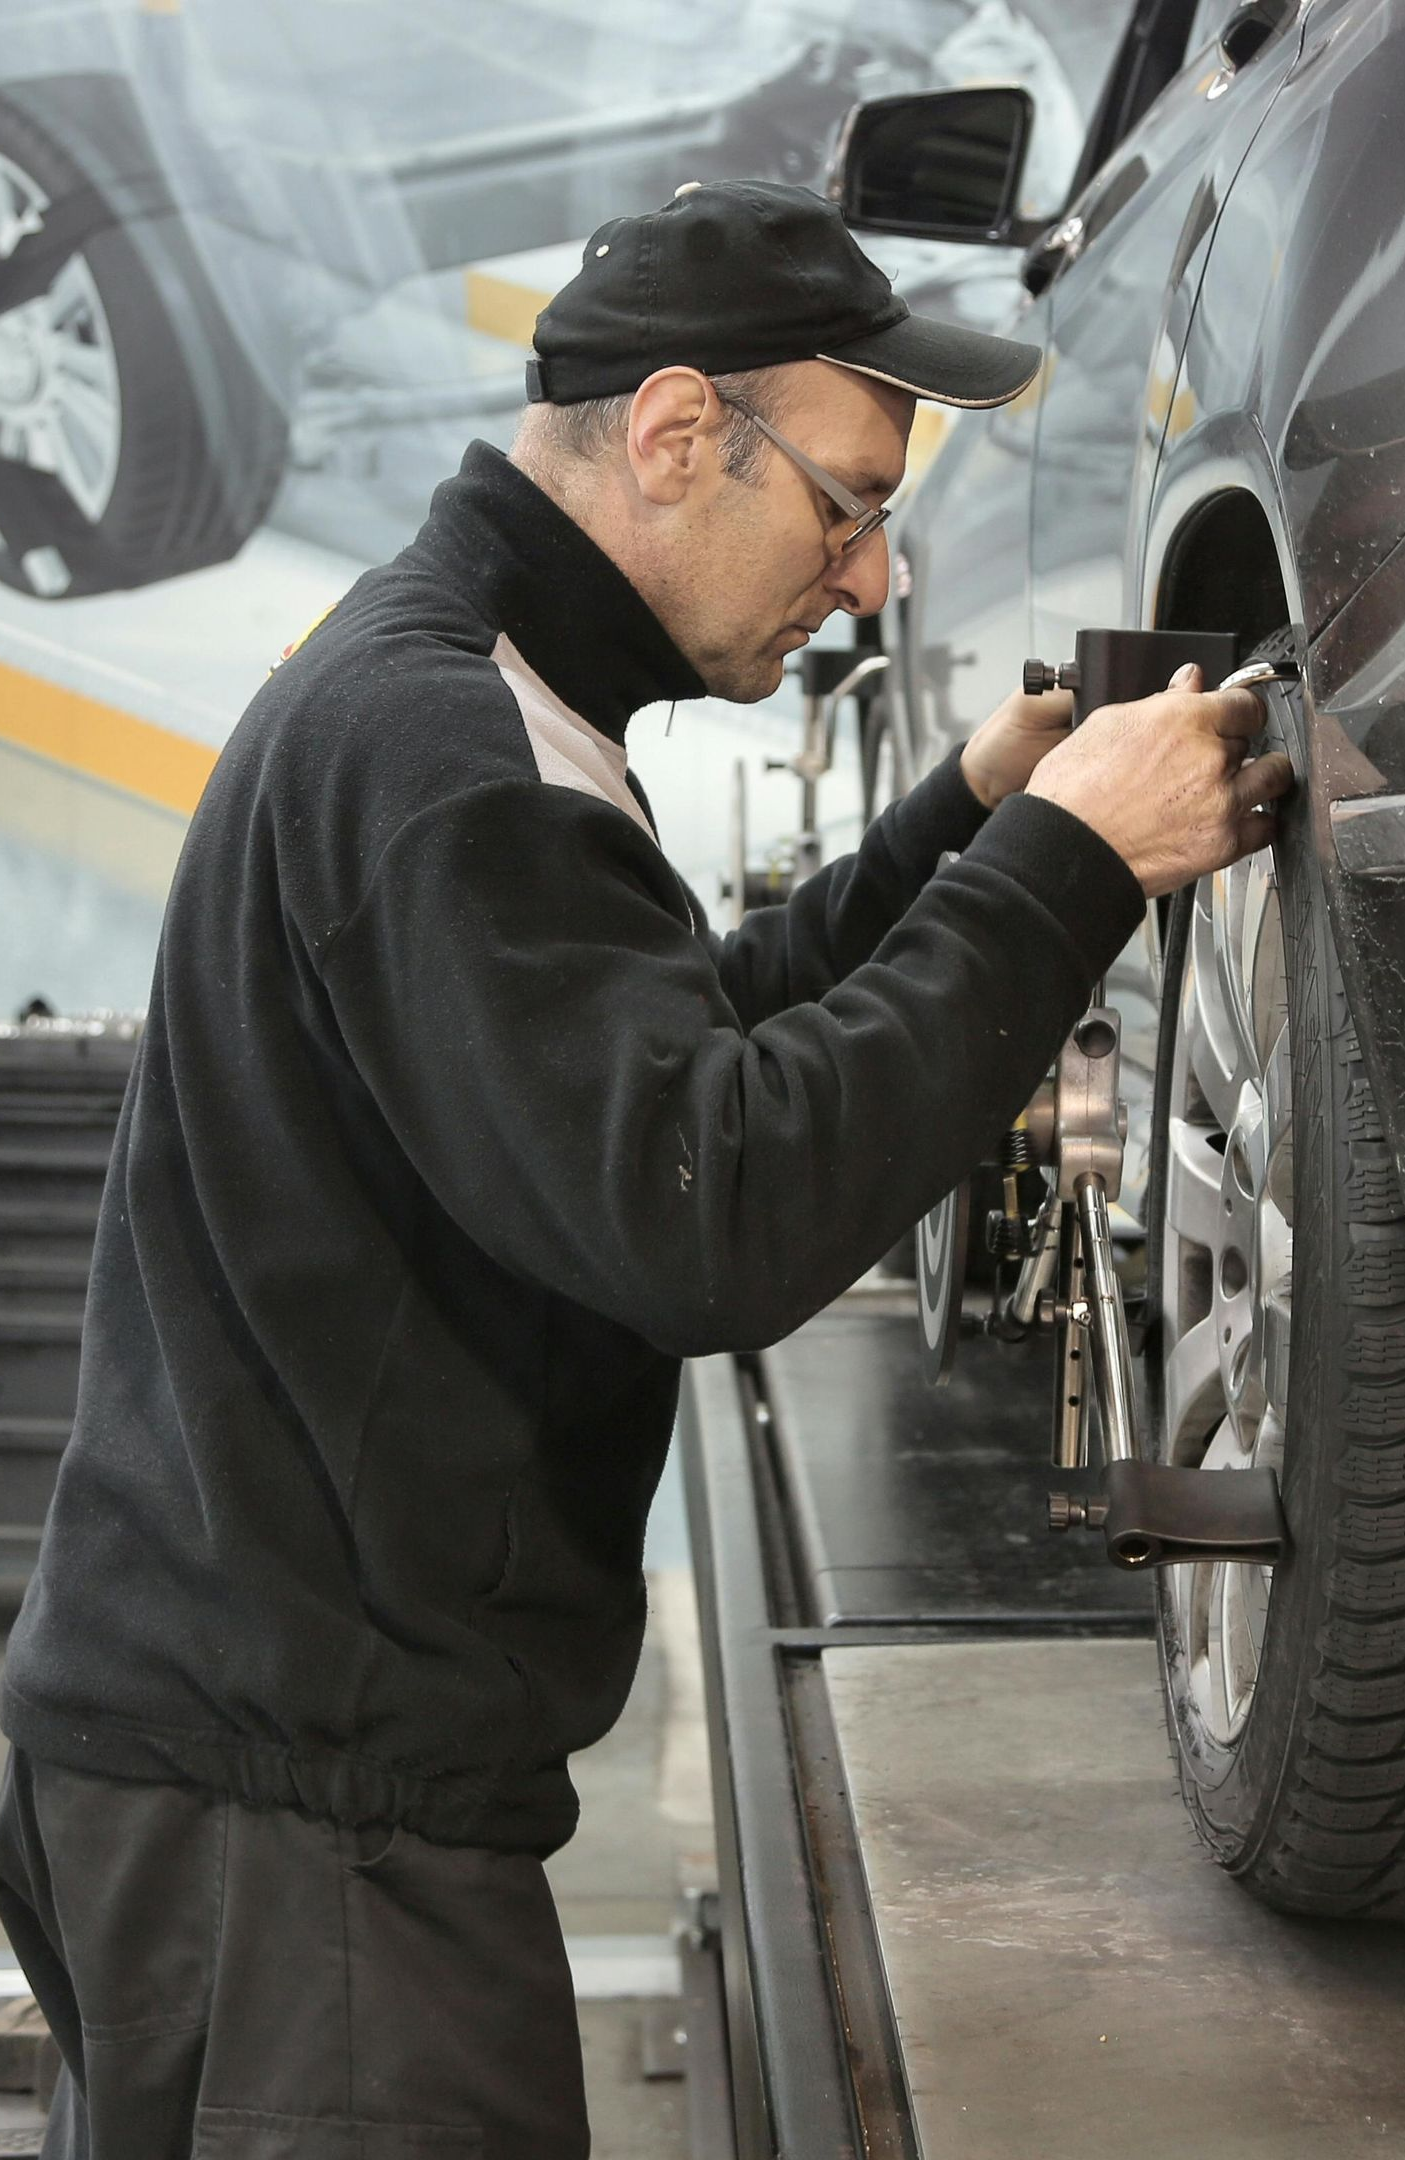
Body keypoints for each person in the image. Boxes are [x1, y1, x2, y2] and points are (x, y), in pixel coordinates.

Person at [0, 180, 1291, 2158]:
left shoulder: (486, 699)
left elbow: (656, 1043)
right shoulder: (442, 751)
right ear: (682, 431)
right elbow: (705, 1202)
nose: (869, 581)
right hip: (299, 1836)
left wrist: (962, 823)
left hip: (265, 1777)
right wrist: (1077, 871)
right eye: (846, 506)